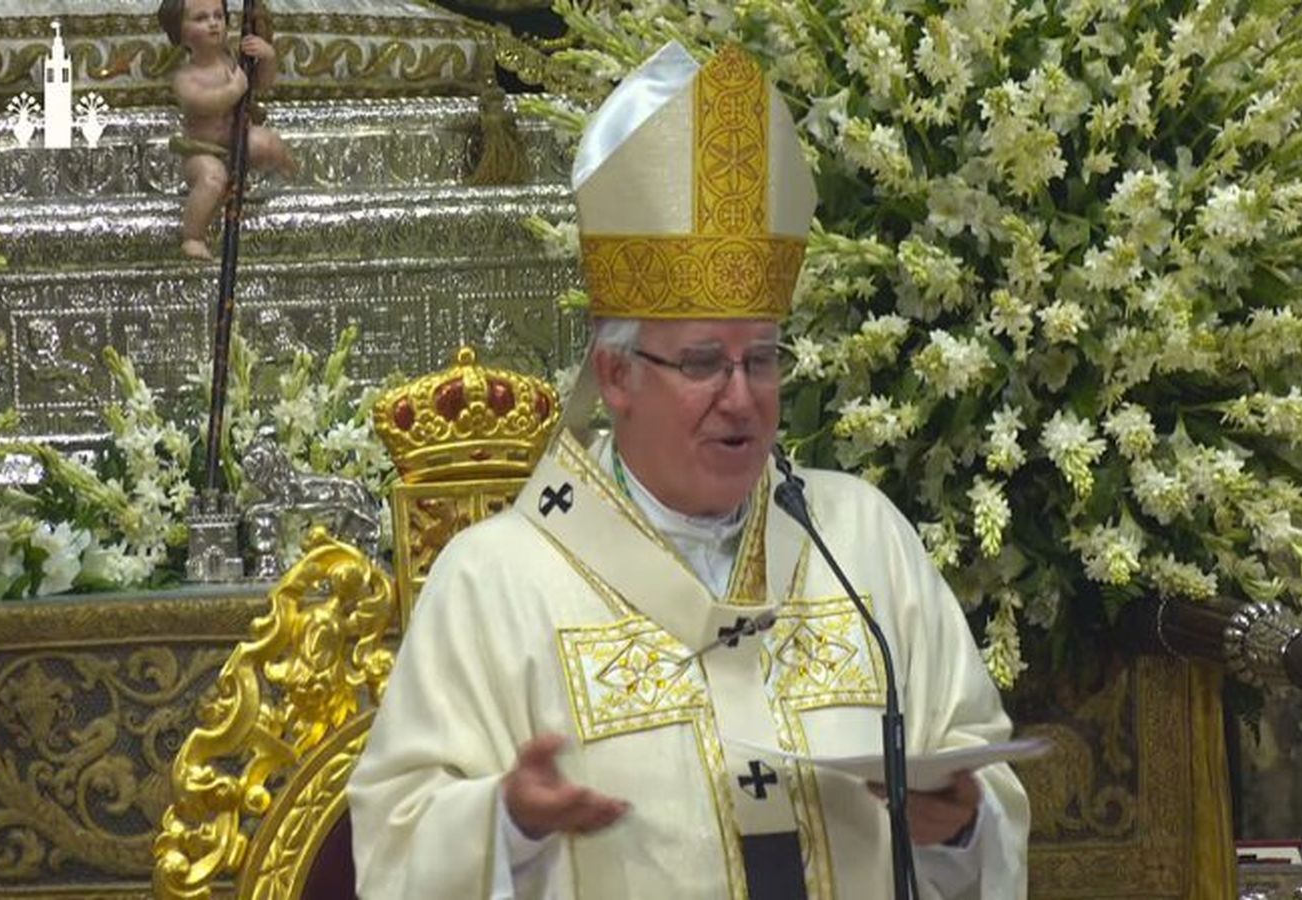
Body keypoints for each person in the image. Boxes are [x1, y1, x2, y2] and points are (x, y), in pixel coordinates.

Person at [347, 42, 1030, 899]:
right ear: (617, 375)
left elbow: (981, 774)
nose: (741, 398)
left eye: (764, 359)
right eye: (704, 362)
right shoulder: (496, 582)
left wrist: (961, 825)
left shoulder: (860, 541)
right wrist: (509, 823)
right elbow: (398, 838)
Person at [156, 0, 295, 260]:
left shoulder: (233, 58)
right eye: (200, 18)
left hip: (235, 139)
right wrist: (233, 91)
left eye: (218, 15)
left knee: (268, 143)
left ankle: (288, 176)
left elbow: (261, 85)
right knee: (212, 178)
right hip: (201, 150)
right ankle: (193, 236)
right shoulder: (186, 77)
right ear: (180, 32)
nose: (213, 23)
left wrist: (267, 56)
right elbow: (204, 104)